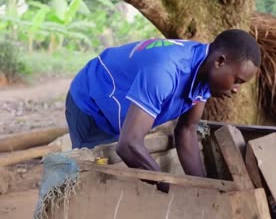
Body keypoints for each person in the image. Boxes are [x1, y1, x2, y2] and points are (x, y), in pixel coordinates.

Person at [65, 29, 261, 187]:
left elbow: (187, 130)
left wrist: (204, 188)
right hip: (91, 102)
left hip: (124, 112)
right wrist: (168, 186)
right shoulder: (165, 72)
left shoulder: (205, 72)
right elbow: (128, 145)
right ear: (220, 61)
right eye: (237, 81)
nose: (236, 90)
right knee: (94, 174)